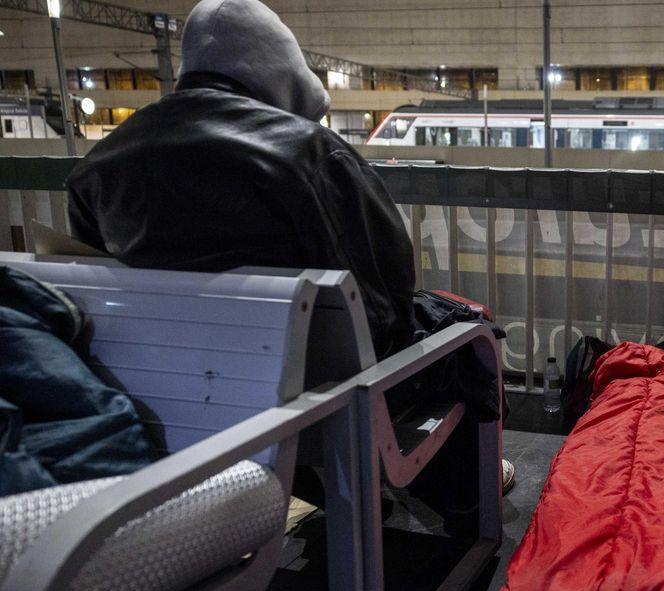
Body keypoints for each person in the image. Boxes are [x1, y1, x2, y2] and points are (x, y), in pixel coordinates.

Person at [66, 0, 514, 493]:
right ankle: (468, 495)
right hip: (321, 410)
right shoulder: (311, 154)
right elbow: (388, 308)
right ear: (280, 69)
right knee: (465, 333)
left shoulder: (97, 168)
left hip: (175, 408)